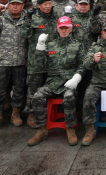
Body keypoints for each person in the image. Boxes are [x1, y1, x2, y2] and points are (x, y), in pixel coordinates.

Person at [28, 16, 86, 146]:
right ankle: (41, 129)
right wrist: (40, 47)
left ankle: (70, 129)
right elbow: (39, 65)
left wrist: (76, 78)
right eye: (61, 28)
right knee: (37, 96)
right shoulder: (50, 44)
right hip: (52, 82)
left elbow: (83, 64)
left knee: (69, 97)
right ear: (57, 29)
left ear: (71, 29)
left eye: (66, 28)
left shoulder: (77, 45)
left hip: (69, 82)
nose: (64, 30)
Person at [0, 0, 28, 129]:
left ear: (22, 6)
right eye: (13, 4)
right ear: (9, 5)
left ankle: (15, 113)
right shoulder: (2, 19)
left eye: (18, 4)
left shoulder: (27, 20)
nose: (15, 6)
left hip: (20, 61)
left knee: (19, 89)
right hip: (3, 61)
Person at [19, 0, 58, 129]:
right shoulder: (32, 18)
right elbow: (23, 35)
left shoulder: (56, 17)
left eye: (49, 4)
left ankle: (47, 114)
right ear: (39, 5)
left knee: (51, 88)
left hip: (52, 60)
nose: (48, 7)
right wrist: (28, 21)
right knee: (33, 89)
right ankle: (32, 113)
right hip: (35, 60)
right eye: (44, 4)